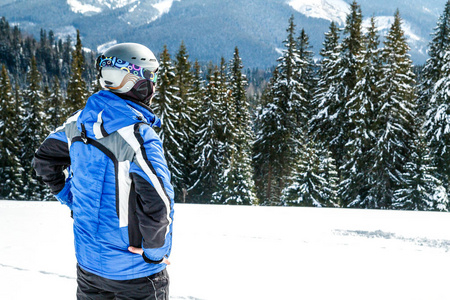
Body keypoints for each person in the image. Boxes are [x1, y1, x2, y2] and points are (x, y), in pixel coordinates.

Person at [33, 42, 174, 300]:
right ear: (136, 82)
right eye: (150, 76)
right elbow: (159, 204)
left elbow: (44, 160)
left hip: (89, 267)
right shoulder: (138, 136)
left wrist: (68, 196)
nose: (153, 85)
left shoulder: (77, 123)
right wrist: (155, 255)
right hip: (135, 273)